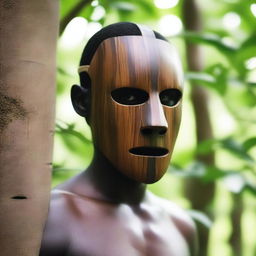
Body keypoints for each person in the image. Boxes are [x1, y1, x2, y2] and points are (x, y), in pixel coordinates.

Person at [40, 22, 198, 256]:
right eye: (130, 96)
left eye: (170, 98)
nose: (157, 122)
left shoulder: (181, 226)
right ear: (83, 102)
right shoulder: (49, 221)